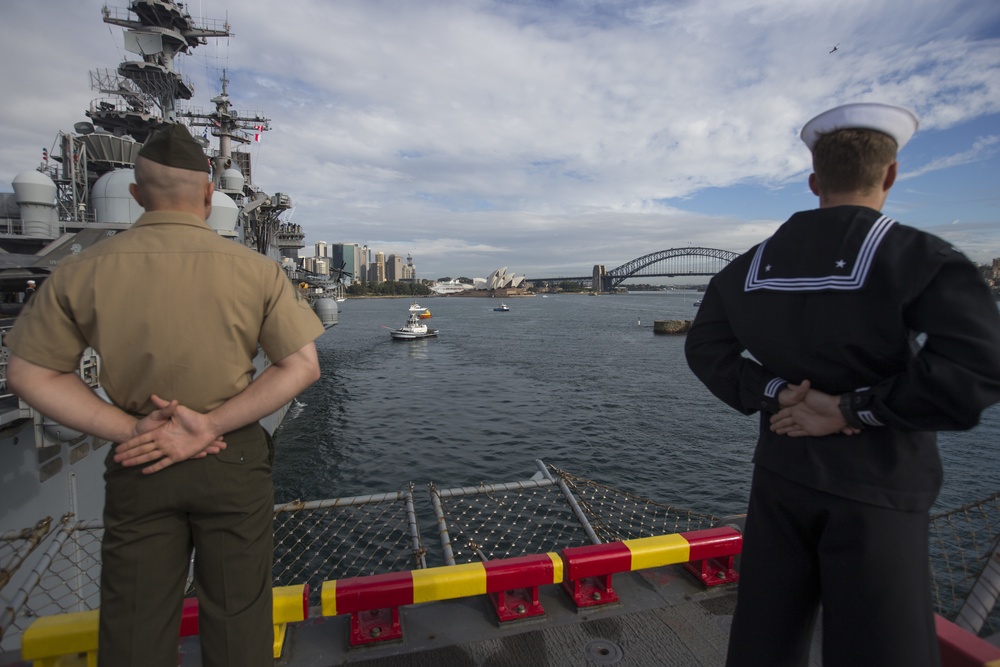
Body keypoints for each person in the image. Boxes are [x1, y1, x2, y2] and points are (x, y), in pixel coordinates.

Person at [684, 102, 1000, 666]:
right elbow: (978, 365)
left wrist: (776, 391)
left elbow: (706, 347)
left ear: (813, 182)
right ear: (891, 174)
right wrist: (852, 410)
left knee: (764, 639)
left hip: (780, 477)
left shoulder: (747, 268)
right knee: (881, 648)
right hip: (876, 487)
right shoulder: (918, 256)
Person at [5, 123, 324, 667]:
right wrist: (210, 426)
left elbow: (30, 374)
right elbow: (301, 366)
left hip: (140, 457)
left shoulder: (80, 270)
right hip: (231, 457)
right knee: (239, 611)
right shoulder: (257, 269)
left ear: (134, 195)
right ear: (207, 194)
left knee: (133, 620)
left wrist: (130, 429)